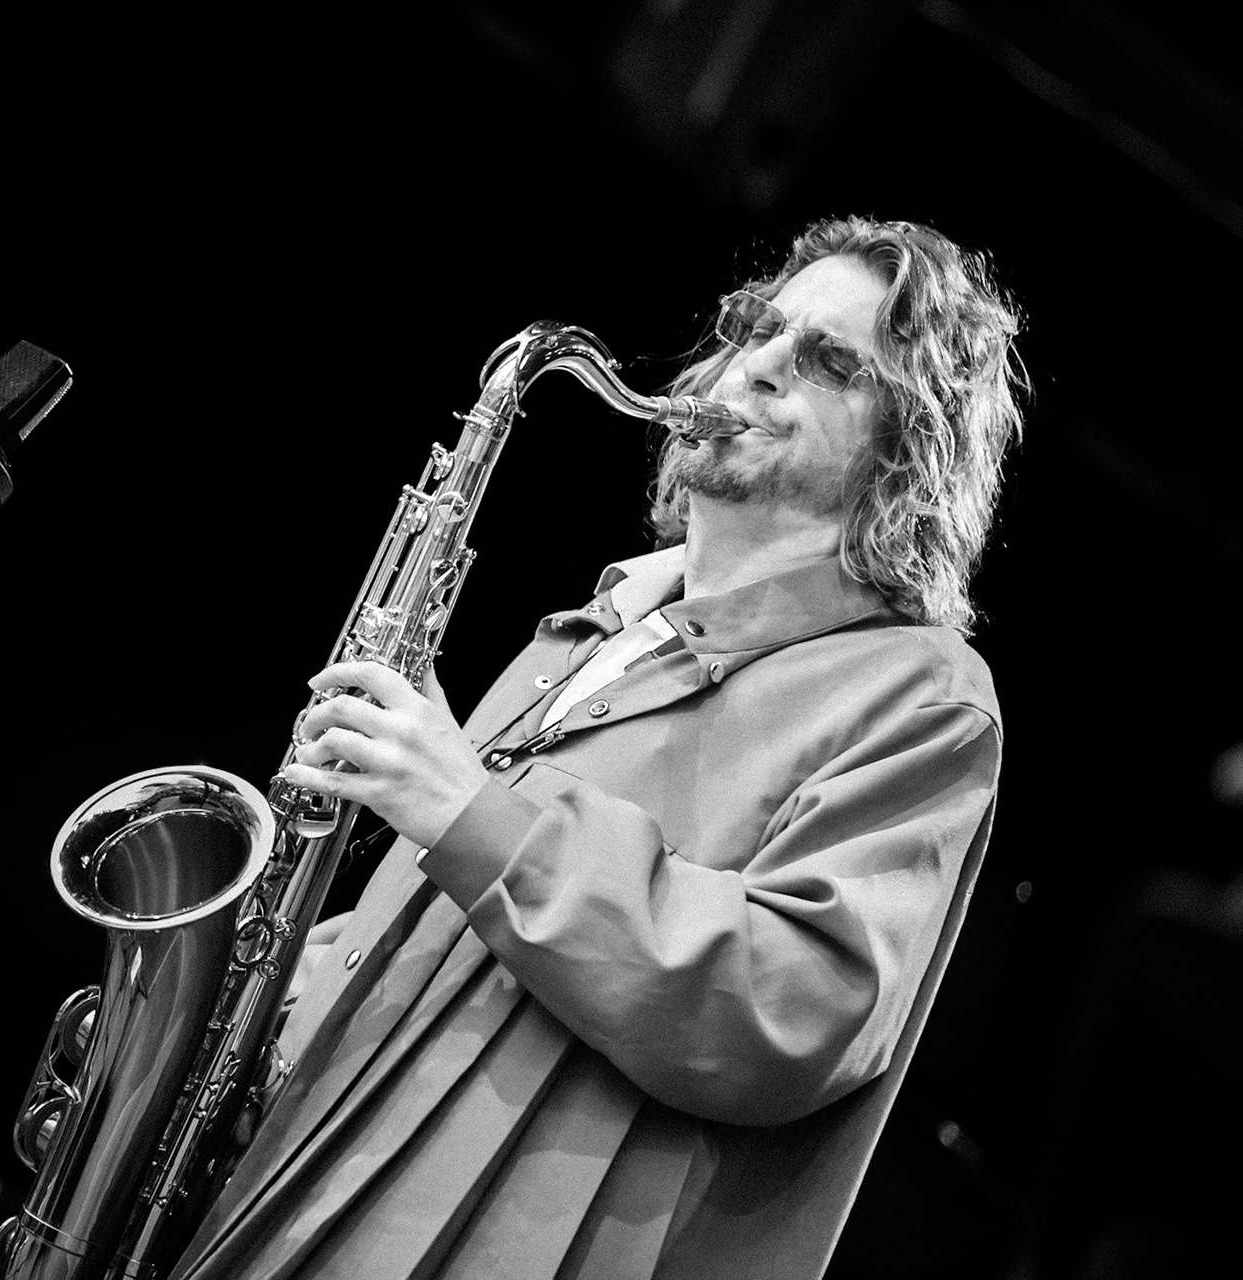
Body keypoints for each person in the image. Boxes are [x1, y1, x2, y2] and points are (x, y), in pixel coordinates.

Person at [169, 215, 1027, 1279]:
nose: (757, 365)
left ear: (910, 448)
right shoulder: (600, 628)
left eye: (826, 363)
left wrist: (466, 811)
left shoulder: (919, 689)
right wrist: (297, 976)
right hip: (291, 1189)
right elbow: (475, 936)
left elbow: (794, 1006)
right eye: (759, 327)